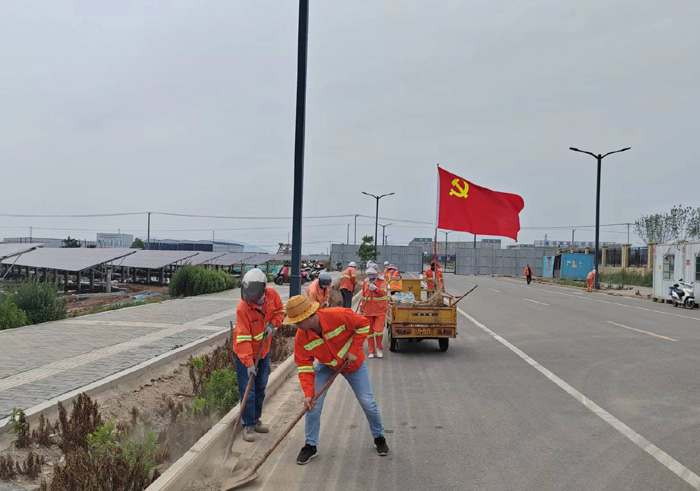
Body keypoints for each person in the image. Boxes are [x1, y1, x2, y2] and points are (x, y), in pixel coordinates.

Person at [284, 295, 389, 465]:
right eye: (295, 322)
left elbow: (364, 324)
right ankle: (311, 445)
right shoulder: (301, 337)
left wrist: (354, 350)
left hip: (353, 365)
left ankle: (379, 437)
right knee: (313, 404)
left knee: (367, 402)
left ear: (310, 315)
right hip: (327, 366)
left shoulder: (338, 315)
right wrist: (309, 393)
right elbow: (304, 367)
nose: (297, 326)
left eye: (299, 321)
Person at [233, 268, 285, 442]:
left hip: (263, 352)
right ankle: (248, 425)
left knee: (261, 387)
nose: (251, 299)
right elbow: (242, 339)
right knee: (248, 390)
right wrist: (248, 364)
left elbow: (280, 312)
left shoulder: (272, 295)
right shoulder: (243, 307)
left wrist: (273, 324)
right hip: (245, 355)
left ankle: (255, 420)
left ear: (262, 290)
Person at [360, 267, 389, 358]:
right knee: (369, 332)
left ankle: (379, 349)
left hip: (380, 310)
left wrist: (376, 289)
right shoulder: (365, 282)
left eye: (372, 274)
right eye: (369, 274)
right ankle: (371, 351)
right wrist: (361, 309)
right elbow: (363, 297)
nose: (370, 276)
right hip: (368, 311)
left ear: (376, 275)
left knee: (378, 330)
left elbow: (383, 292)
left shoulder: (382, 282)